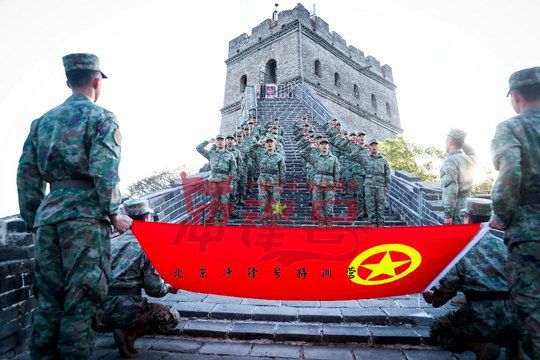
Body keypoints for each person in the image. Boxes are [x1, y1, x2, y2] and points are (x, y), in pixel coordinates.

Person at [16, 53, 132, 359]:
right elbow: (104, 170)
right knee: (80, 302)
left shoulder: (41, 122)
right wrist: (113, 213)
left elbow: (26, 175)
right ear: (97, 82)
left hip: (48, 218)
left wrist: (34, 219)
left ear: (68, 82)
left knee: (48, 302)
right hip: (84, 219)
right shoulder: (101, 118)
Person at [424, 198, 517, 360]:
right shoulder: (504, 246)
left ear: (467, 219)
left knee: (438, 328)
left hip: (480, 314)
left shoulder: (461, 252)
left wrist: (429, 294)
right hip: (513, 314)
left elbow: (443, 296)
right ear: (489, 219)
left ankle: (479, 346)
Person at [489, 66, 540, 359]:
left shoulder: (512, 128)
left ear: (516, 97)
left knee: (531, 313)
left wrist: (502, 215)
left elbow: (511, 172)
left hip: (530, 233)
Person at [100, 199, 180, 358]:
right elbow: (154, 290)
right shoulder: (148, 244)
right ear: (147, 219)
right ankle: (128, 332)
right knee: (171, 317)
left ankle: (117, 328)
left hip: (98, 310)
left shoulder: (108, 241)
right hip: (128, 309)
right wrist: (169, 287)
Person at [196, 134, 237, 225]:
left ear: (225, 142)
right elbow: (198, 148)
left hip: (224, 182)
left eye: (221, 140)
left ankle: (223, 224)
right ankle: (215, 225)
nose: (219, 141)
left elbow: (233, 170)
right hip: (213, 182)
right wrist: (207, 141)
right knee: (214, 204)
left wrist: (230, 183)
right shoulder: (211, 153)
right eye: (218, 140)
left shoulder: (230, 155)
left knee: (224, 204)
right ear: (216, 141)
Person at [300, 138, 340, 227]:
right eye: (322, 144)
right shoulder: (315, 158)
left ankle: (329, 223)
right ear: (319, 146)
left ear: (328, 146)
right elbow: (302, 153)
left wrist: (335, 185)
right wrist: (310, 147)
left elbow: (336, 173)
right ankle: (321, 223)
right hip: (318, 185)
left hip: (329, 186)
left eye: (326, 144)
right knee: (318, 205)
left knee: (329, 206)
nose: (324, 145)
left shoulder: (334, 159)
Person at [440, 129, 476, 224]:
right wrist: (460, 142)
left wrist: (448, 215)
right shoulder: (469, 159)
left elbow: (450, 188)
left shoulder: (450, 161)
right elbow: (472, 152)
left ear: (450, 142)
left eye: (446, 141)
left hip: (456, 210)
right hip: (468, 206)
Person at [360, 139, 391, 227]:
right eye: (372, 145)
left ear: (378, 147)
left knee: (380, 209)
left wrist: (387, 187)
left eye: (375, 145)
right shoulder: (365, 158)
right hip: (369, 187)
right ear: (369, 147)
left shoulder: (384, 159)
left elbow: (388, 174)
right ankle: (373, 229)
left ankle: (380, 229)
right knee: (371, 209)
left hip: (380, 187)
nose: (374, 147)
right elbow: (353, 156)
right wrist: (360, 147)